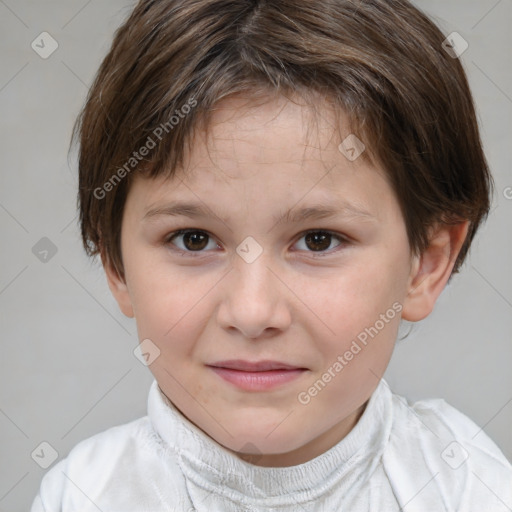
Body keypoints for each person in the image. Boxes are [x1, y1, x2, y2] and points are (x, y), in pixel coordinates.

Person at [31, 0, 512, 510]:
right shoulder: (84, 496)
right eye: (194, 239)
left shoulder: (469, 487)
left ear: (426, 264)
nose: (253, 313)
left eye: (318, 240)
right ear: (115, 264)